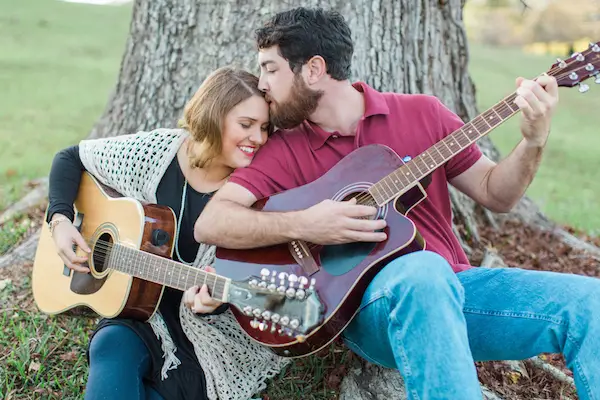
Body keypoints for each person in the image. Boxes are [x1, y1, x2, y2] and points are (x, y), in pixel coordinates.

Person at [194, 7, 600, 400]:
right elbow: (213, 222)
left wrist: (533, 140)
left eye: (270, 68)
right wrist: (306, 224)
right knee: (421, 271)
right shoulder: (284, 149)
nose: (262, 83)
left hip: (457, 290)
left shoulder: (423, 114)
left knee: (590, 304)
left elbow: (498, 195)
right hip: (367, 309)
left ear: (313, 70)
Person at [46, 66, 287, 400]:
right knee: (111, 350)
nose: (258, 139)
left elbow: (258, 285)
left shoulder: (256, 195)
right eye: (246, 125)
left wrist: (214, 301)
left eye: (264, 128)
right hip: (137, 313)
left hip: (207, 342)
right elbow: (71, 157)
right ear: (212, 117)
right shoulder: (158, 153)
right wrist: (60, 222)